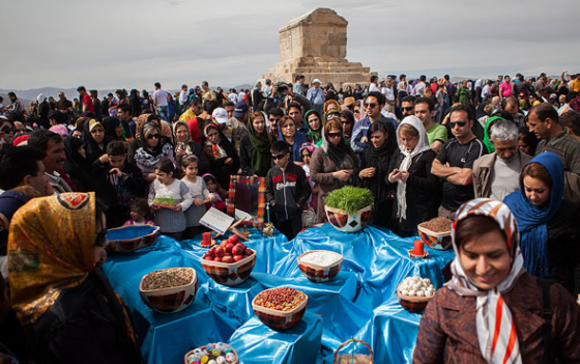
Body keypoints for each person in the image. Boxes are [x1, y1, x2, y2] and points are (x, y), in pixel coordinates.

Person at [414, 198, 580, 363]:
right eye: (471, 255)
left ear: (512, 250)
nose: (483, 268)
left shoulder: (551, 300)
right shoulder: (445, 302)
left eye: (494, 255)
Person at [7, 192, 143, 363]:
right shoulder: (66, 321)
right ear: (64, 244)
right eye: (99, 237)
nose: (106, 244)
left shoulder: (78, 274)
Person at [504, 152, 580, 295]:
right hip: (519, 287)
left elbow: (576, 259)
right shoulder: (511, 205)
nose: (533, 196)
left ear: (554, 187)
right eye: (528, 190)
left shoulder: (568, 213)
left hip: (557, 290)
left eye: (540, 191)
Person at [386, 116, 440, 237]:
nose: (406, 143)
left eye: (410, 139)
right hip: (400, 212)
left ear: (419, 137)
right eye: (403, 139)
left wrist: (410, 178)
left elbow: (432, 184)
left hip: (420, 212)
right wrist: (392, 178)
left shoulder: (428, 155)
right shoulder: (400, 152)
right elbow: (388, 178)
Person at [431, 105, 487, 217]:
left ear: (471, 123)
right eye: (452, 124)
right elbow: (433, 168)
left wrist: (443, 172)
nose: (456, 127)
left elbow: (465, 179)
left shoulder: (477, 146)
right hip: (445, 207)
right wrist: (456, 170)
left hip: (466, 209)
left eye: (461, 123)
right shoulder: (449, 144)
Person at [528, 103, 580, 207]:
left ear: (548, 122)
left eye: (534, 125)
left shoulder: (573, 146)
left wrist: (550, 174)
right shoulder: (541, 144)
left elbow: (577, 182)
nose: (531, 130)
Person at [311, 118, 358, 222]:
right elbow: (314, 175)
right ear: (326, 135)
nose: (336, 138)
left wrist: (350, 172)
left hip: (347, 197)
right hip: (328, 199)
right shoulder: (320, 153)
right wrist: (335, 175)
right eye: (332, 135)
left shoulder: (345, 148)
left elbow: (356, 167)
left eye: (338, 134)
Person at [473, 120, 532, 200]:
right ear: (492, 143)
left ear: (517, 141)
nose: (507, 154)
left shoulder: (531, 164)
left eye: (511, 148)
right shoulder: (481, 165)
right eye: (501, 149)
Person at [265, 141, 311, 240]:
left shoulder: (298, 171)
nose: (277, 160)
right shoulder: (271, 173)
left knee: (297, 239)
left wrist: (298, 203)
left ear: (287, 155)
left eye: (280, 157)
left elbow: (306, 189)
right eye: (274, 157)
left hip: (295, 214)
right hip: (279, 215)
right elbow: (268, 191)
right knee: (284, 240)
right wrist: (273, 202)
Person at [357, 120, 398, 228]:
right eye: (372, 137)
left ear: (386, 135)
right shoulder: (367, 153)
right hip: (370, 201)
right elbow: (358, 174)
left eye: (377, 137)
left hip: (387, 203)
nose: (374, 141)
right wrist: (362, 174)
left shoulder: (394, 153)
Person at [102, 141, 147, 225]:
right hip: (114, 213)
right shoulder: (105, 172)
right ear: (108, 158)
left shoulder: (133, 170)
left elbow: (139, 188)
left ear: (125, 156)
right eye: (113, 161)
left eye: (120, 161)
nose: (117, 164)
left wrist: (124, 177)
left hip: (132, 212)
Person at [148, 158, 193, 241]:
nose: (158, 177)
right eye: (156, 174)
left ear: (170, 174)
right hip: (160, 225)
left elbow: (189, 199)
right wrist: (152, 205)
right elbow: (150, 197)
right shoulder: (155, 183)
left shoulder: (180, 184)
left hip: (177, 226)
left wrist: (181, 206)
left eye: (161, 175)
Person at [181, 155, 214, 239]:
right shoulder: (182, 183)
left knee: (204, 235)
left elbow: (205, 191)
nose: (194, 171)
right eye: (191, 168)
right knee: (193, 236)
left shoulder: (200, 179)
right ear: (183, 169)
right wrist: (193, 200)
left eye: (196, 168)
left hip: (202, 213)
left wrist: (210, 195)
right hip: (190, 216)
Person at [204, 123, 239, 191]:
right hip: (216, 180)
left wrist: (232, 160)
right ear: (206, 136)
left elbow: (235, 158)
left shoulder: (225, 143)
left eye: (215, 133)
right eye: (210, 135)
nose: (214, 137)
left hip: (230, 175)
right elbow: (211, 165)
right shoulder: (206, 148)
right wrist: (224, 161)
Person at [239, 111, 272, 177]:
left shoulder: (270, 138)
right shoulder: (245, 140)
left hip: (269, 176)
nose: (260, 125)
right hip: (253, 178)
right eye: (257, 123)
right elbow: (243, 163)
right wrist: (252, 173)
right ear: (251, 124)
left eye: (262, 122)